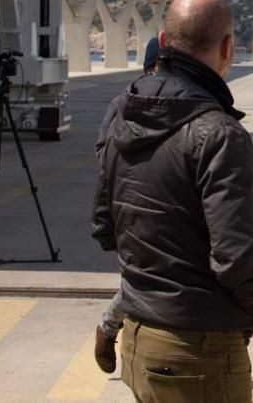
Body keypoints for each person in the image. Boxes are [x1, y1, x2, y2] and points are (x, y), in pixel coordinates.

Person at [91, 0, 253, 402]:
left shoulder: (119, 111)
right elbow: (237, 257)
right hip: (199, 350)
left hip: (140, 339)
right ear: (228, 48)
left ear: (162, 42)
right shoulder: (219, 133)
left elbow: (105, 224)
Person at [93, 36, 162, 374]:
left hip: (169, 205)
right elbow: (104, 158)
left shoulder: (188, 101)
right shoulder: (123, 104)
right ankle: (109, 329)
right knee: (138, 280)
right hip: (131, 206)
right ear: (149, 66)